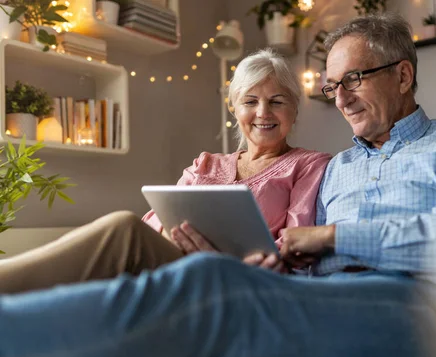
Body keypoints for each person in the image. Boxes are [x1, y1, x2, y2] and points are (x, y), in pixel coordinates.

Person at [0, 13, 436, 357]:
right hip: (315, 295)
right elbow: (298, 255)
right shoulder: (340, 166)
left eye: (354, 79)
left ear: (403, 75)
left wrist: (330, 237)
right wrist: (281, 258)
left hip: (417, 302)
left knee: (210, 284)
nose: (342, 97)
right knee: (135, 239)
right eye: (333, 85)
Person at [0, 49, 331, 294]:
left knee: (123, 229)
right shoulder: (206, 163)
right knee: (125, 235)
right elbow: (155, 223)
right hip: (178, 263)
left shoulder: (309, 164)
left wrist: (239, 262)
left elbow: (297, 248)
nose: (263, 113)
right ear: (234, 108)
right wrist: (177, 240)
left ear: (294, 108)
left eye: (277, 101)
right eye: (250, 101)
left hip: (241, 281)